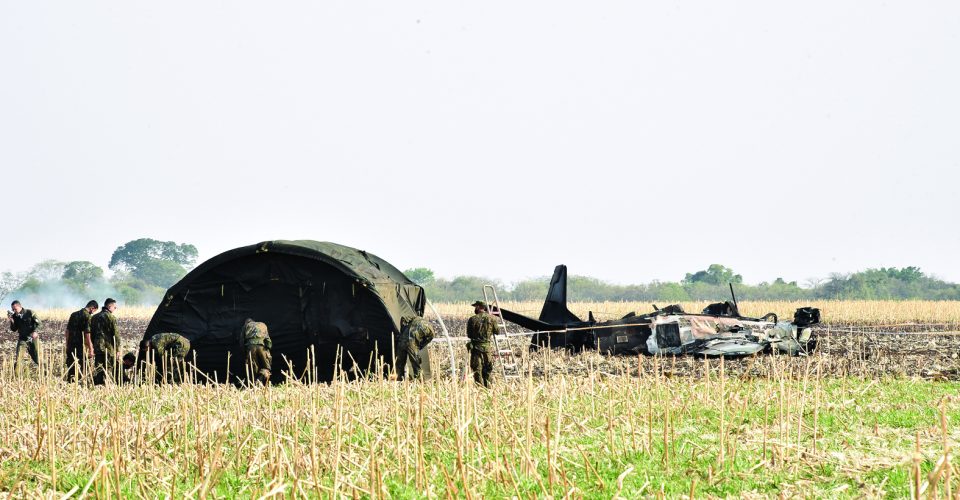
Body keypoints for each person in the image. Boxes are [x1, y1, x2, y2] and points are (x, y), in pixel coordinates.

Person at [466, 300, 499, 387]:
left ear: (478, 307)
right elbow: (497, 331)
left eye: (475, 307)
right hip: (487, 347)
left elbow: (469, 334)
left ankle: (479, 388)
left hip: (476, 347)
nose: (475, 308)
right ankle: (488, 386)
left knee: (476, 368)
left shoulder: (472, 319)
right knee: (488, 368)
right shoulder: (492, 318)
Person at [64, 300, 98, 381]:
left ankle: (71, 382)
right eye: (93, 311)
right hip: (81, 346)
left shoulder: (73, 314)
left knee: (71, 365)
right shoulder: (88, 317)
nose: (92, 313)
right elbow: (87, 334)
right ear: (92, 308)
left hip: (71, 345)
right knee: (82, 366)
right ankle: (80, 383)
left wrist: (67, 344)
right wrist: (91, 348)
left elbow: (67, 331)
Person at [90, 298, 120, 385]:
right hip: (108, 348)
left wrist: (93, 345)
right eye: (114, 307)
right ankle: (107, 386)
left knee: (99, 368)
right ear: (109, 306)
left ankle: (98, 385)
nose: (115, 309)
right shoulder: (111, 317)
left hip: (97, 347)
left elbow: (91, 333)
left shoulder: (94, 317)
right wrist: (117, 349)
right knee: (109, 368)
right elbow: (116, 335)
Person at [396, 315, 435, 380]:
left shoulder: (415, 318)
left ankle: (399, 379)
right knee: (415, 363)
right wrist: (420, 346)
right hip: (411, 342)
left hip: (402, 340)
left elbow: (403, 318)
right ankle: (419, 379)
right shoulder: (430, 329)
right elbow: (429, 338)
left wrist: (402, 332)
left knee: (400, 362)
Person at [8, 300, 42, 370]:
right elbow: (14, 329)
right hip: (22, 339)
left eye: (15, 309)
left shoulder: (30, 313)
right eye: (12, 309)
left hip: (32, 338)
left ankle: (44, 372)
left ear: (19, 306)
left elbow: (40, 324)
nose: (14, 311)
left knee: (37, 357)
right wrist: (11, 321)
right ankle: (16, 376)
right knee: (19, 358)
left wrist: (35, 331)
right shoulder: (14, 316)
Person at [242, 319, 272, 385]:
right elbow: (268, 340)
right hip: (262, 347)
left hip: (250, 347)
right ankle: (261, 379)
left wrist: (245, 353)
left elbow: (242, 341)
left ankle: (255, 384)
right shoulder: (262, 324)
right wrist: (267, 350)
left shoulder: (246, 325)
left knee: (253, 368)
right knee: (267, 367)